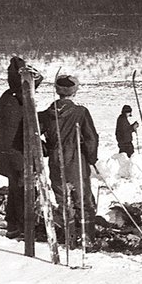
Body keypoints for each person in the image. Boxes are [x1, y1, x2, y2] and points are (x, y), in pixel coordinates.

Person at [38, 75, 99, 245]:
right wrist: (92, 158)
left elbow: (34, 136)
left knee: (64, 200)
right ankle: (86, 239)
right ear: (73, 92)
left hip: (56, 163)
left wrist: (46, 149)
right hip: (76, 161)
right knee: (83, 200)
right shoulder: (81, 112)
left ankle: (69, 237)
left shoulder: (45, 114)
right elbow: (91, 138)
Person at [0, 57, 43, 239]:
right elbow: (25, 129)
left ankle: (14, 226)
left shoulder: (9, 96)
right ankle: (24, 228)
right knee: (23, 191)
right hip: (17, 154)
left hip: (9, 153)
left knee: (15, 190)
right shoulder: (20, 99)